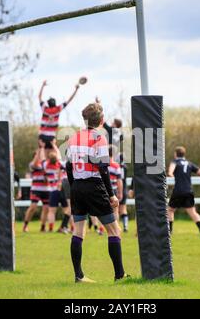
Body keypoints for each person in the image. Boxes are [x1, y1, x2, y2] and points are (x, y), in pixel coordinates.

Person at [66, 102, 128, 283]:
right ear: (101, 120)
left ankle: (79, 275)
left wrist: (74, 187)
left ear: (85, 119)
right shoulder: (99, 139)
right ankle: (120, 275)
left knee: (78, 231)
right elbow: (103, 169)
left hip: (77, 186)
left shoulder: (73, 138)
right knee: (114, 231)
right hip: (94, 186)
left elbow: (68, 167)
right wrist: (111, 194)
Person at [167, 146, 200, 234]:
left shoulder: (175, 162)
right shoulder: (189, 163)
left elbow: (170, 171)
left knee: (170, 210)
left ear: (175, 154)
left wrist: (171, 174)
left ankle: (170, 231)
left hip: (178, 190)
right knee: (192, 212)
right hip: (188, 191)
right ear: (184, 154)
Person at [38, 80, 81, 150]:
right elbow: (69, 100)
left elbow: (39, 97)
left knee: (42, 154)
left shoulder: (44, 108)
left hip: (42, 135)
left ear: (48, 103)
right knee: (53, 155)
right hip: (51, 136)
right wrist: (76, 90)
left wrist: (43, 85)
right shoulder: (58, 109)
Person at [22, 142, 50, 233]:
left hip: (46, 189)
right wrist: (40, 149)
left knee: (46, 208)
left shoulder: (46, 166)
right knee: (33, 207)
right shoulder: (32, 165)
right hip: (36, 189)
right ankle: (25, 225)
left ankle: (43, 227)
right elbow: (35, 162)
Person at [108, 146, 123, 222]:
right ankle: (116, 228)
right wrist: (120, 193)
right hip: (113, 190)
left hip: (104, 190)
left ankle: (101, 229)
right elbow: (119, 180)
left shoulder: (103, 164)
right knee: (115, 210)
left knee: (104, 211)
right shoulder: (116, 166)